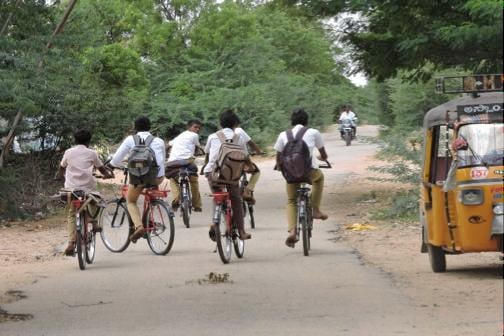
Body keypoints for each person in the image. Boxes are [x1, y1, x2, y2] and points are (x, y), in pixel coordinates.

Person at [274, 108, 329, 248]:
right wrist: (321, 158)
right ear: (306, 121)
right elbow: (323, 154)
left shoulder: (283, 134)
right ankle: (315, 210)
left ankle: (293, 231)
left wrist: (280, 167)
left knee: (292, 200)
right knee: (319, 178)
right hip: (309, 172)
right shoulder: (313, 132)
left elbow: (278, 156)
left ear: (292, 121)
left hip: (291, 174)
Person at [56, 129, 114, 256]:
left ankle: (71, 242)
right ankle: (94, 222)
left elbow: (62, 167)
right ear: (88, 141)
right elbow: (102, 169)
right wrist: (108, 175)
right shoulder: (92, 153)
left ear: (75, 140)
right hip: (88, 188)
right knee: (96, 202)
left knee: (71, 214)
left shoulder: (69, 152)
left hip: (71, 189)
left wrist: (60, 176)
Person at [110, 116, 166, 243]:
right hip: (157, 177)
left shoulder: (130, 139)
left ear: (135, 128)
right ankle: (151, 207)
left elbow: (116, 160)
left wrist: (112, 164)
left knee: (131, 201)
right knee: (149, 187)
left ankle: (139, 227)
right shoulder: (159, 141)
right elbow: (161, 159)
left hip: (138, 177)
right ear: (150, 127)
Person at [203, 109, 251, 240]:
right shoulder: (239, 138)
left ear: (220, 123)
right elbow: (245, 157)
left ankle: (214, 223)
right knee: (236, 199)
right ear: (235, 124)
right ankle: (241, 231)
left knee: (217, 195)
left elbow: (208, 156)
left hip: (213, 174)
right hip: (231, 175)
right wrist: (250, 168)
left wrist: (207, 169)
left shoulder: (212, 136)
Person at [166, 119, 203, 212]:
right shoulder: (194, 135)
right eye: (195, 127)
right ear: (189, 127)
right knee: (193, 180)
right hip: (187, 161)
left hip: (173, 162)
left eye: (199, 128)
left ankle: (176, 199)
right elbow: (198, 147)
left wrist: (167, 153)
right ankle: (197, 205)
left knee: (173, 179)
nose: (197, 129)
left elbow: (169, 144)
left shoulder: (180, 136)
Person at [235, 122, 262, 204]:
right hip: (240, 161)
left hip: (225, 163)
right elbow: (251, 143)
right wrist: (258, 151)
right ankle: (248, 190)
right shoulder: (239, 130)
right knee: (256, 171)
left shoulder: (219, 134)